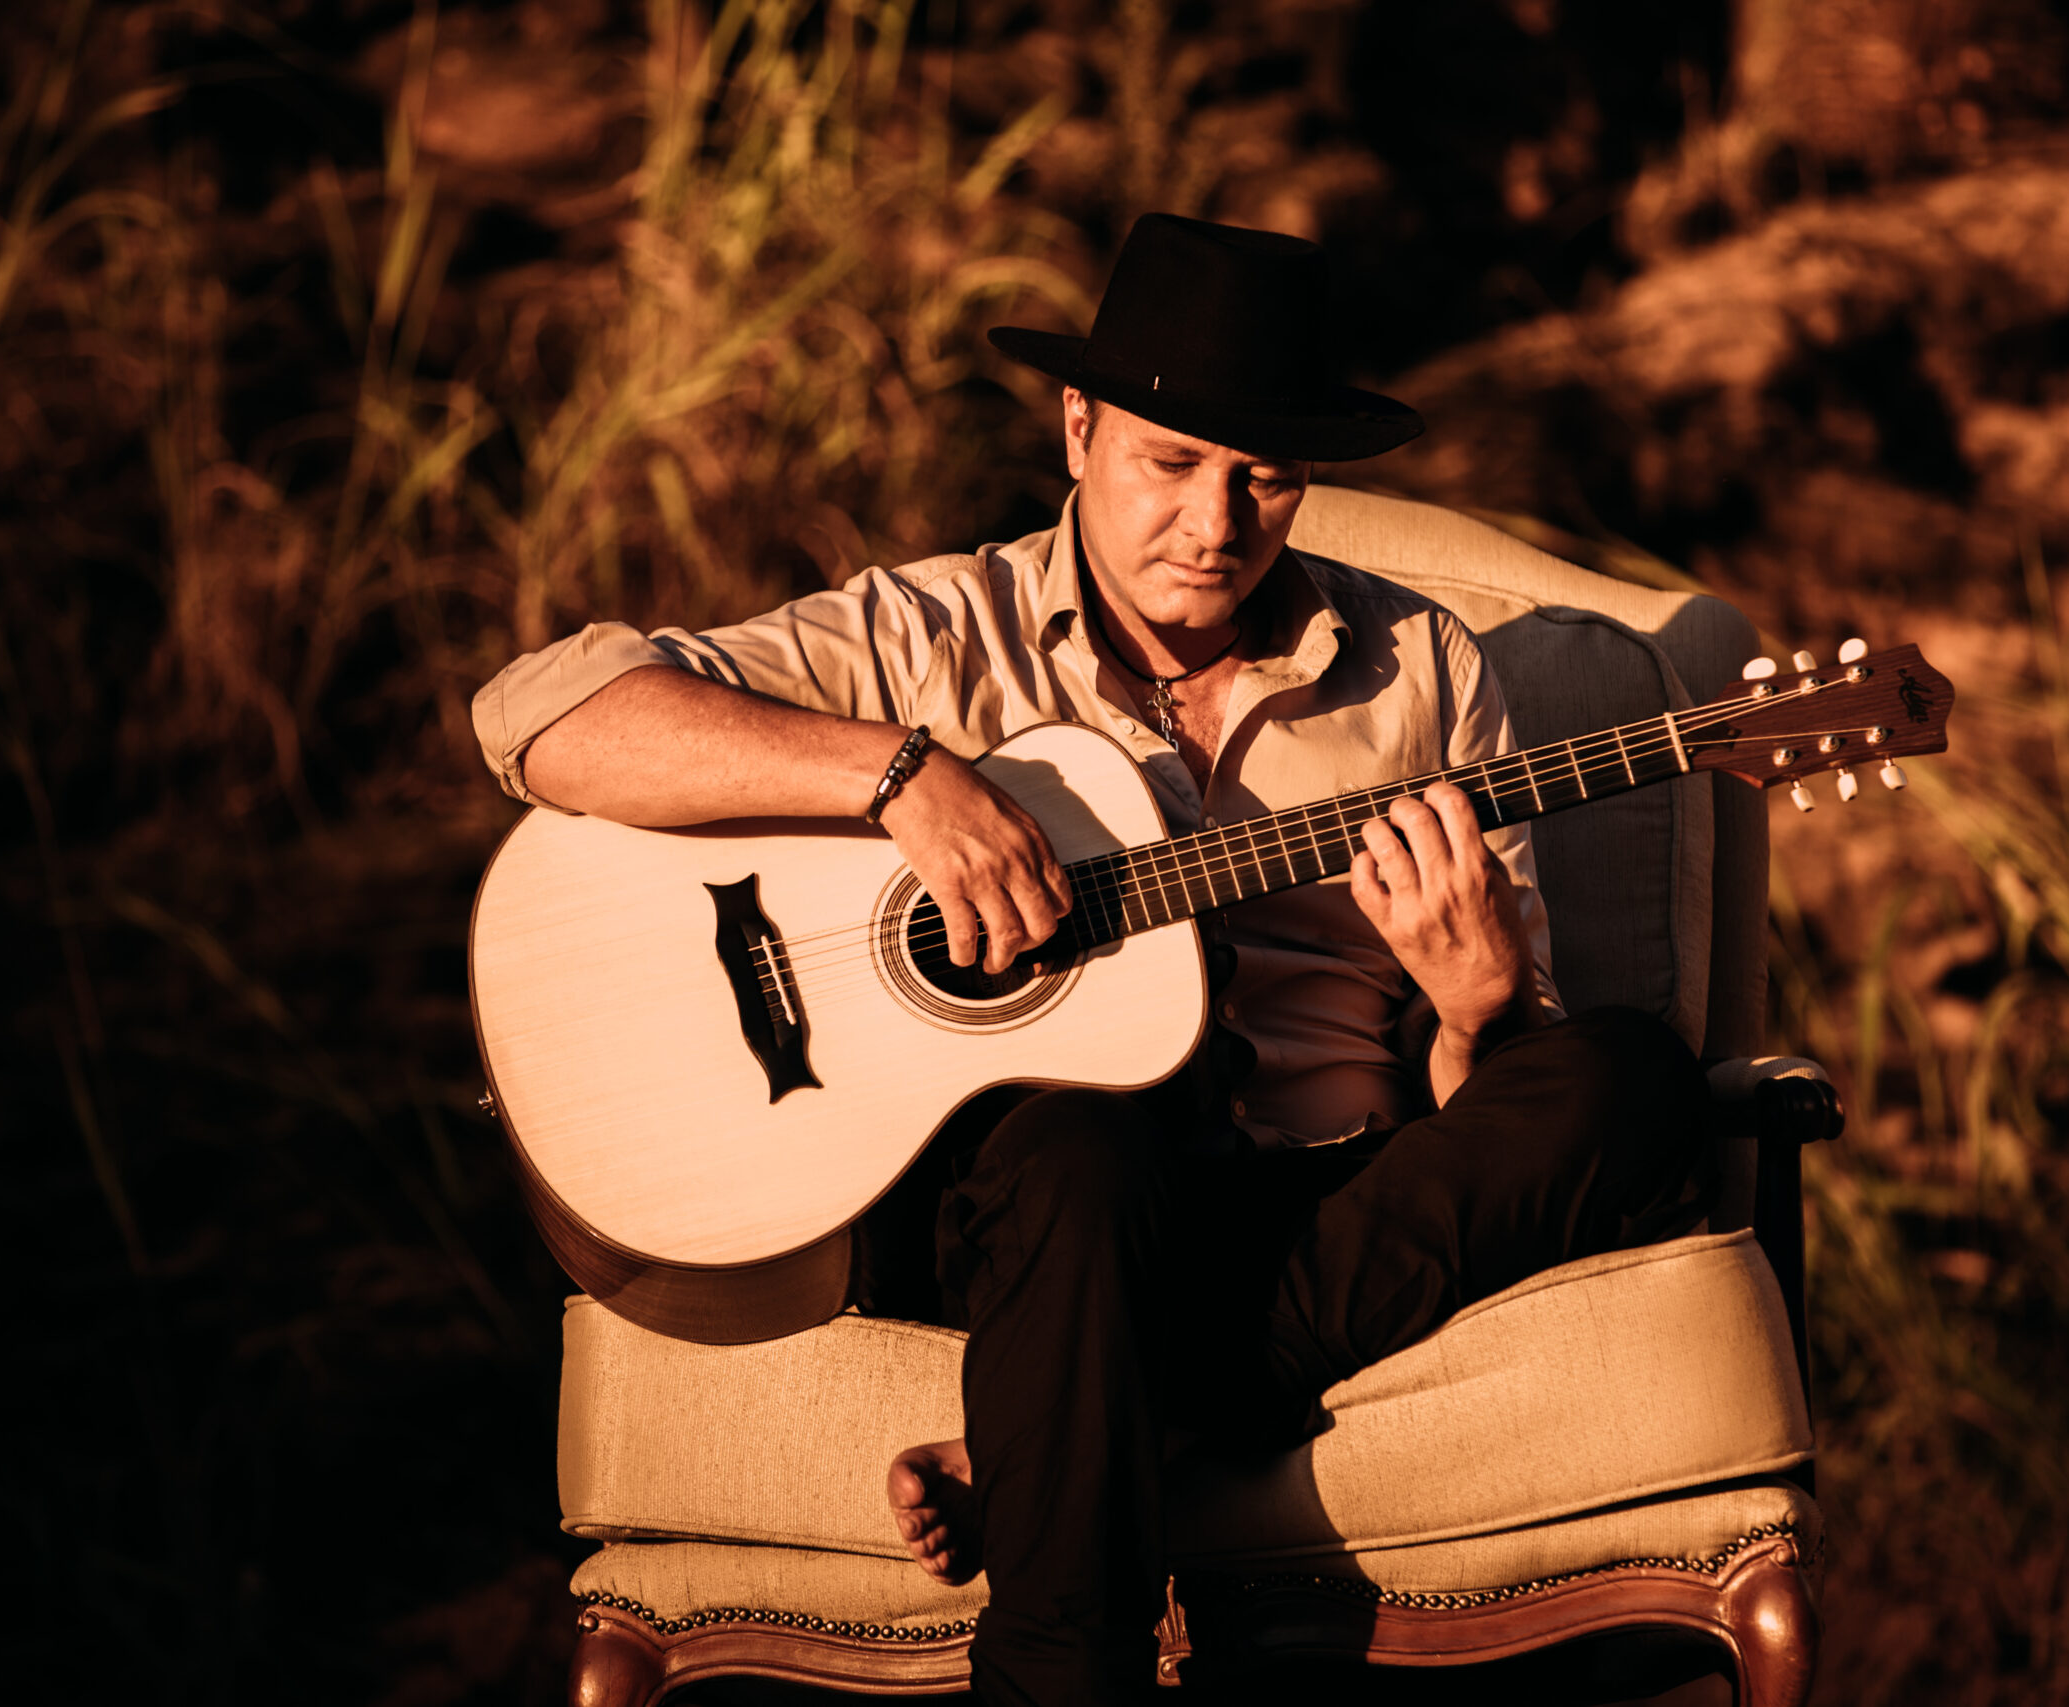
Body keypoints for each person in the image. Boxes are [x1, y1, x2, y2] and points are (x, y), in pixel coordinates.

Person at [472, 214, 1711, 1707]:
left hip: (1334, 1197)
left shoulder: (1426, 669)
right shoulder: (932, 635)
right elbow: (543, 713)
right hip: (1046, 1212)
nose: (1216, 522)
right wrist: (896, 775)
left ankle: (1072, 1430)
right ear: (1077, 427)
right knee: (1084, 1152)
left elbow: (1493, 1107)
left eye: (1264, 476)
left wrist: (1476, 1003)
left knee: (1632, 1079)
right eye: (1169, 463)